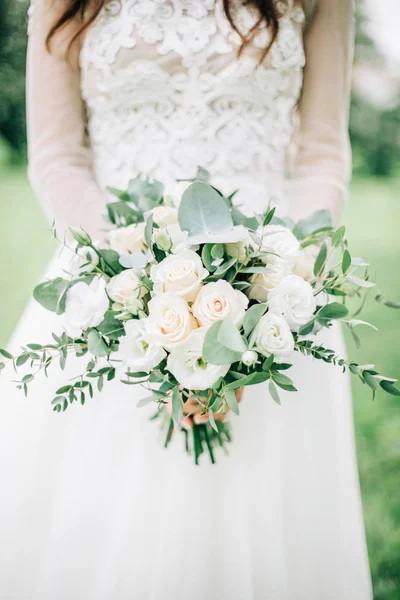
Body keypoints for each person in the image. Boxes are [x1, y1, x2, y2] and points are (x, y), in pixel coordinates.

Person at [0, 0, 373, 598]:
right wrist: (135, 284)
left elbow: (322, 153)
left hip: (273, 289)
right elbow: (59, 155)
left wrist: (273, 287)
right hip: (113, 287)